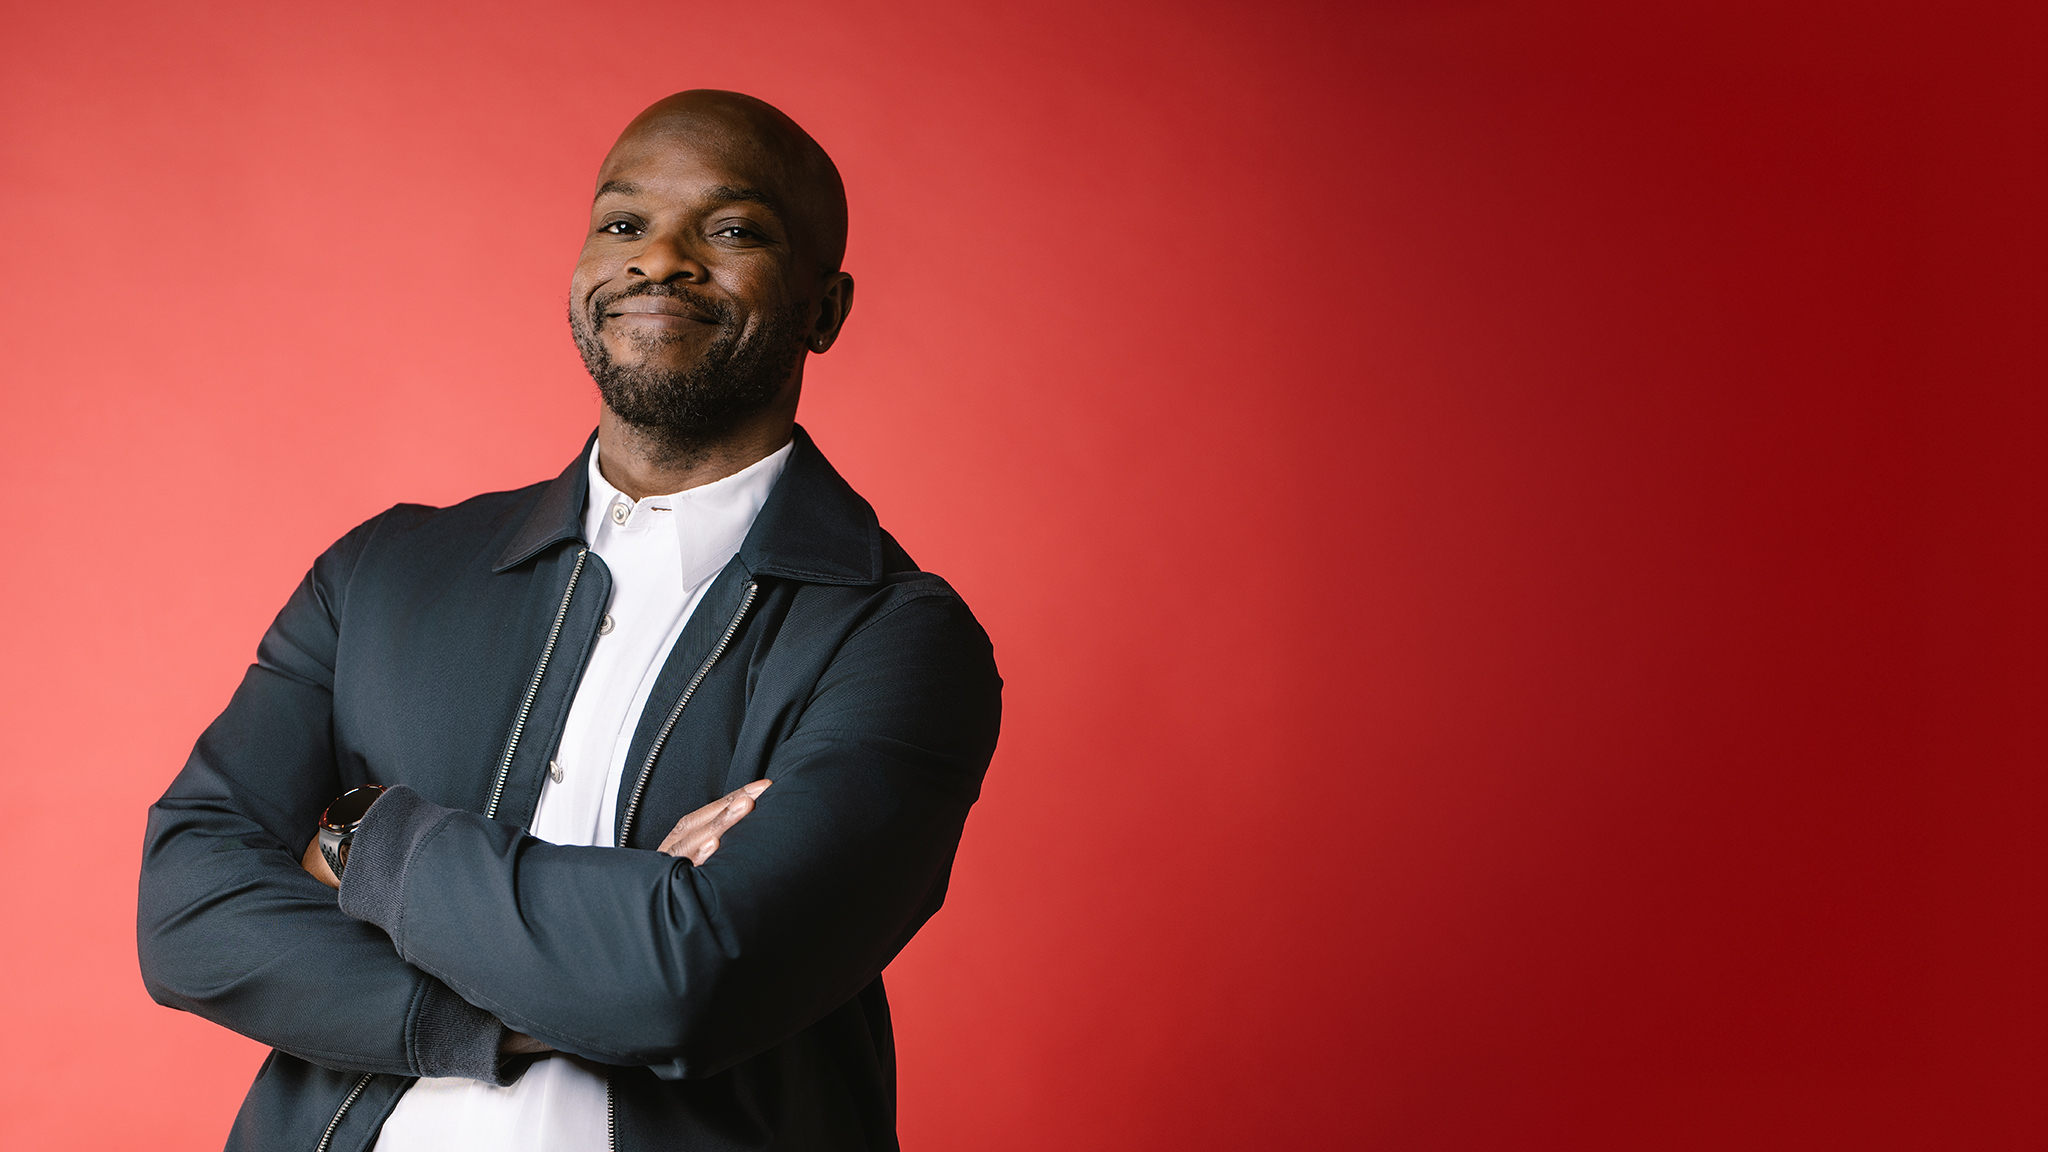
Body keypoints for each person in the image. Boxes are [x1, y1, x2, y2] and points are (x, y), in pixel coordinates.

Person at [137, 89, 1002, 1152]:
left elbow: (692, 981)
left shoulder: (899, 639)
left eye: (732, 230)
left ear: (825, 309)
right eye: (623, 223)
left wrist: (362, 834)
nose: (660, 260)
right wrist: (553, 984)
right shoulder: (382, 571)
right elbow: (186, 912)